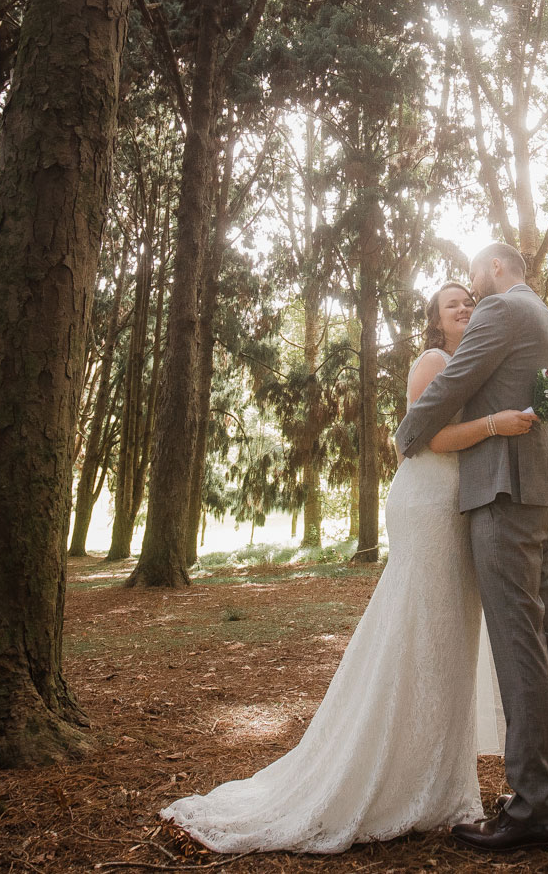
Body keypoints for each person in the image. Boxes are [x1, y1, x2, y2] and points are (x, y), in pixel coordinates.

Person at [159, 277, 516, 853]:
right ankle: (389, 776)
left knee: (448, 634)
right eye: (454, 304)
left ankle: (441, 780)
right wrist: (498, 424)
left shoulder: (473, 361)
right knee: (419, 627)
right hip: (428, 501)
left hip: (460, 504)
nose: (465, 307)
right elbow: (427, 438)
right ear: (436, 319)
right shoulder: (431, 362)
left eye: (469, 301)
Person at [396, 242, 548, 852]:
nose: (473, 293)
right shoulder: (545, 316)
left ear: (497, 268)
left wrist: (407, 434)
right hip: (544, 492)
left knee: (518, 644)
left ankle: (532, 807)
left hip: (505, 492)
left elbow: (455, 379)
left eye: (476, 278)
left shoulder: (502, 311)